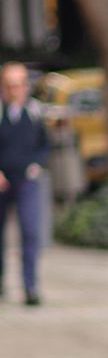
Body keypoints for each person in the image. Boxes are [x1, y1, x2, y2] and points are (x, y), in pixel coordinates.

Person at [0, 62, 50, 306]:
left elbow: (44, 145)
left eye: (18, 84)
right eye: (9, 85)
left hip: (27, 182)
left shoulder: (35, 112)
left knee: (30, 233)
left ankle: (30, 287)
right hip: (1, 181)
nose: (14, 90)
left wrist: (36, 165)